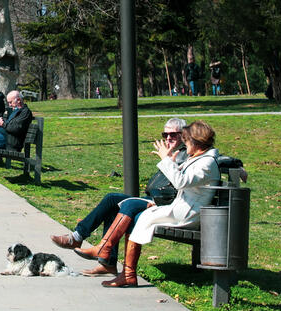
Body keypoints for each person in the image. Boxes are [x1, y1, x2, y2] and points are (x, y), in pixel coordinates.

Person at [76, 121, 220, 288]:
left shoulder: (207, 162)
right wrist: (170, 161)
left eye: (186, 141)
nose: (185, 143)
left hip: (186, 214)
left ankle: (114, 259)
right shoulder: (200, 158)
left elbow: (181, 182)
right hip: (180, 208)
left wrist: (166, 159)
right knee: (135, 213)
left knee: (135, 213)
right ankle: (121, 267)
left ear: (196, 142)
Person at [50, 118, 188, 275]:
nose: (168, 138)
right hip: (155, 198)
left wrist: (167, 160)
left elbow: (179, 184)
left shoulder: (183, 154)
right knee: (113, 203)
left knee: (112, 199)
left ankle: (79, 239)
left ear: (183, 135)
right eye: (165, 135)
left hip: (163, 203)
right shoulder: (172, 153)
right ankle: (105, 262)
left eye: (173, 135)